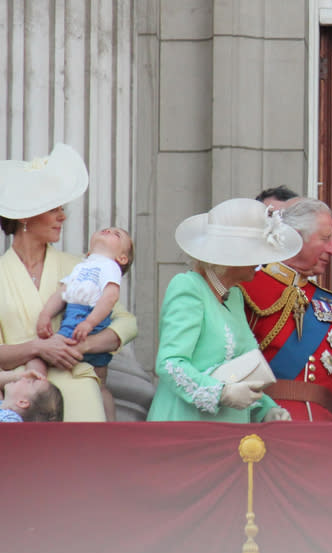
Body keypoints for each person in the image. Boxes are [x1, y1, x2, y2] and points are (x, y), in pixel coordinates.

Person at [0, 143, 137, 421]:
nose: (63, 217)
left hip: (80, 391)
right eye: (54, 210)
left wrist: (84, 345)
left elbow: (126, 323)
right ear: (25, 216)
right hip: (22, 403)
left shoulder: (81, 266)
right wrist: (38, 347)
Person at [147, 198, 300, 422]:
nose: (261, 263)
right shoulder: (188, 287)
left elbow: (244, 369)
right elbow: (170, 364)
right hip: (184, 425)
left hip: (229, 432)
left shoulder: (235, 297)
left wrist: (266, 410)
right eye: (255, 253)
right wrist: (221, 392)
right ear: (231, 256)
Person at [240, 198, 332, 422]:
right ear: (295, 237)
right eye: (325, 239)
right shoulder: (247, 289)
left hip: (323, 431)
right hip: (267, 423)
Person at [31, 226, 133, 419]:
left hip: (84, 320)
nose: (108, 231)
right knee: (99, 383)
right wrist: (45, 314)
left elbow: (110, 298)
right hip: (75, 317)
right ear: (89, 252)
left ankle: (36, 383)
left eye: (116, 234)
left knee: (44, 355)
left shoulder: (110, 266)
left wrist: (90, 322)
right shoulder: (82, 266)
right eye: (105, 229)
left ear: (122, 258)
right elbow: (62, 293)